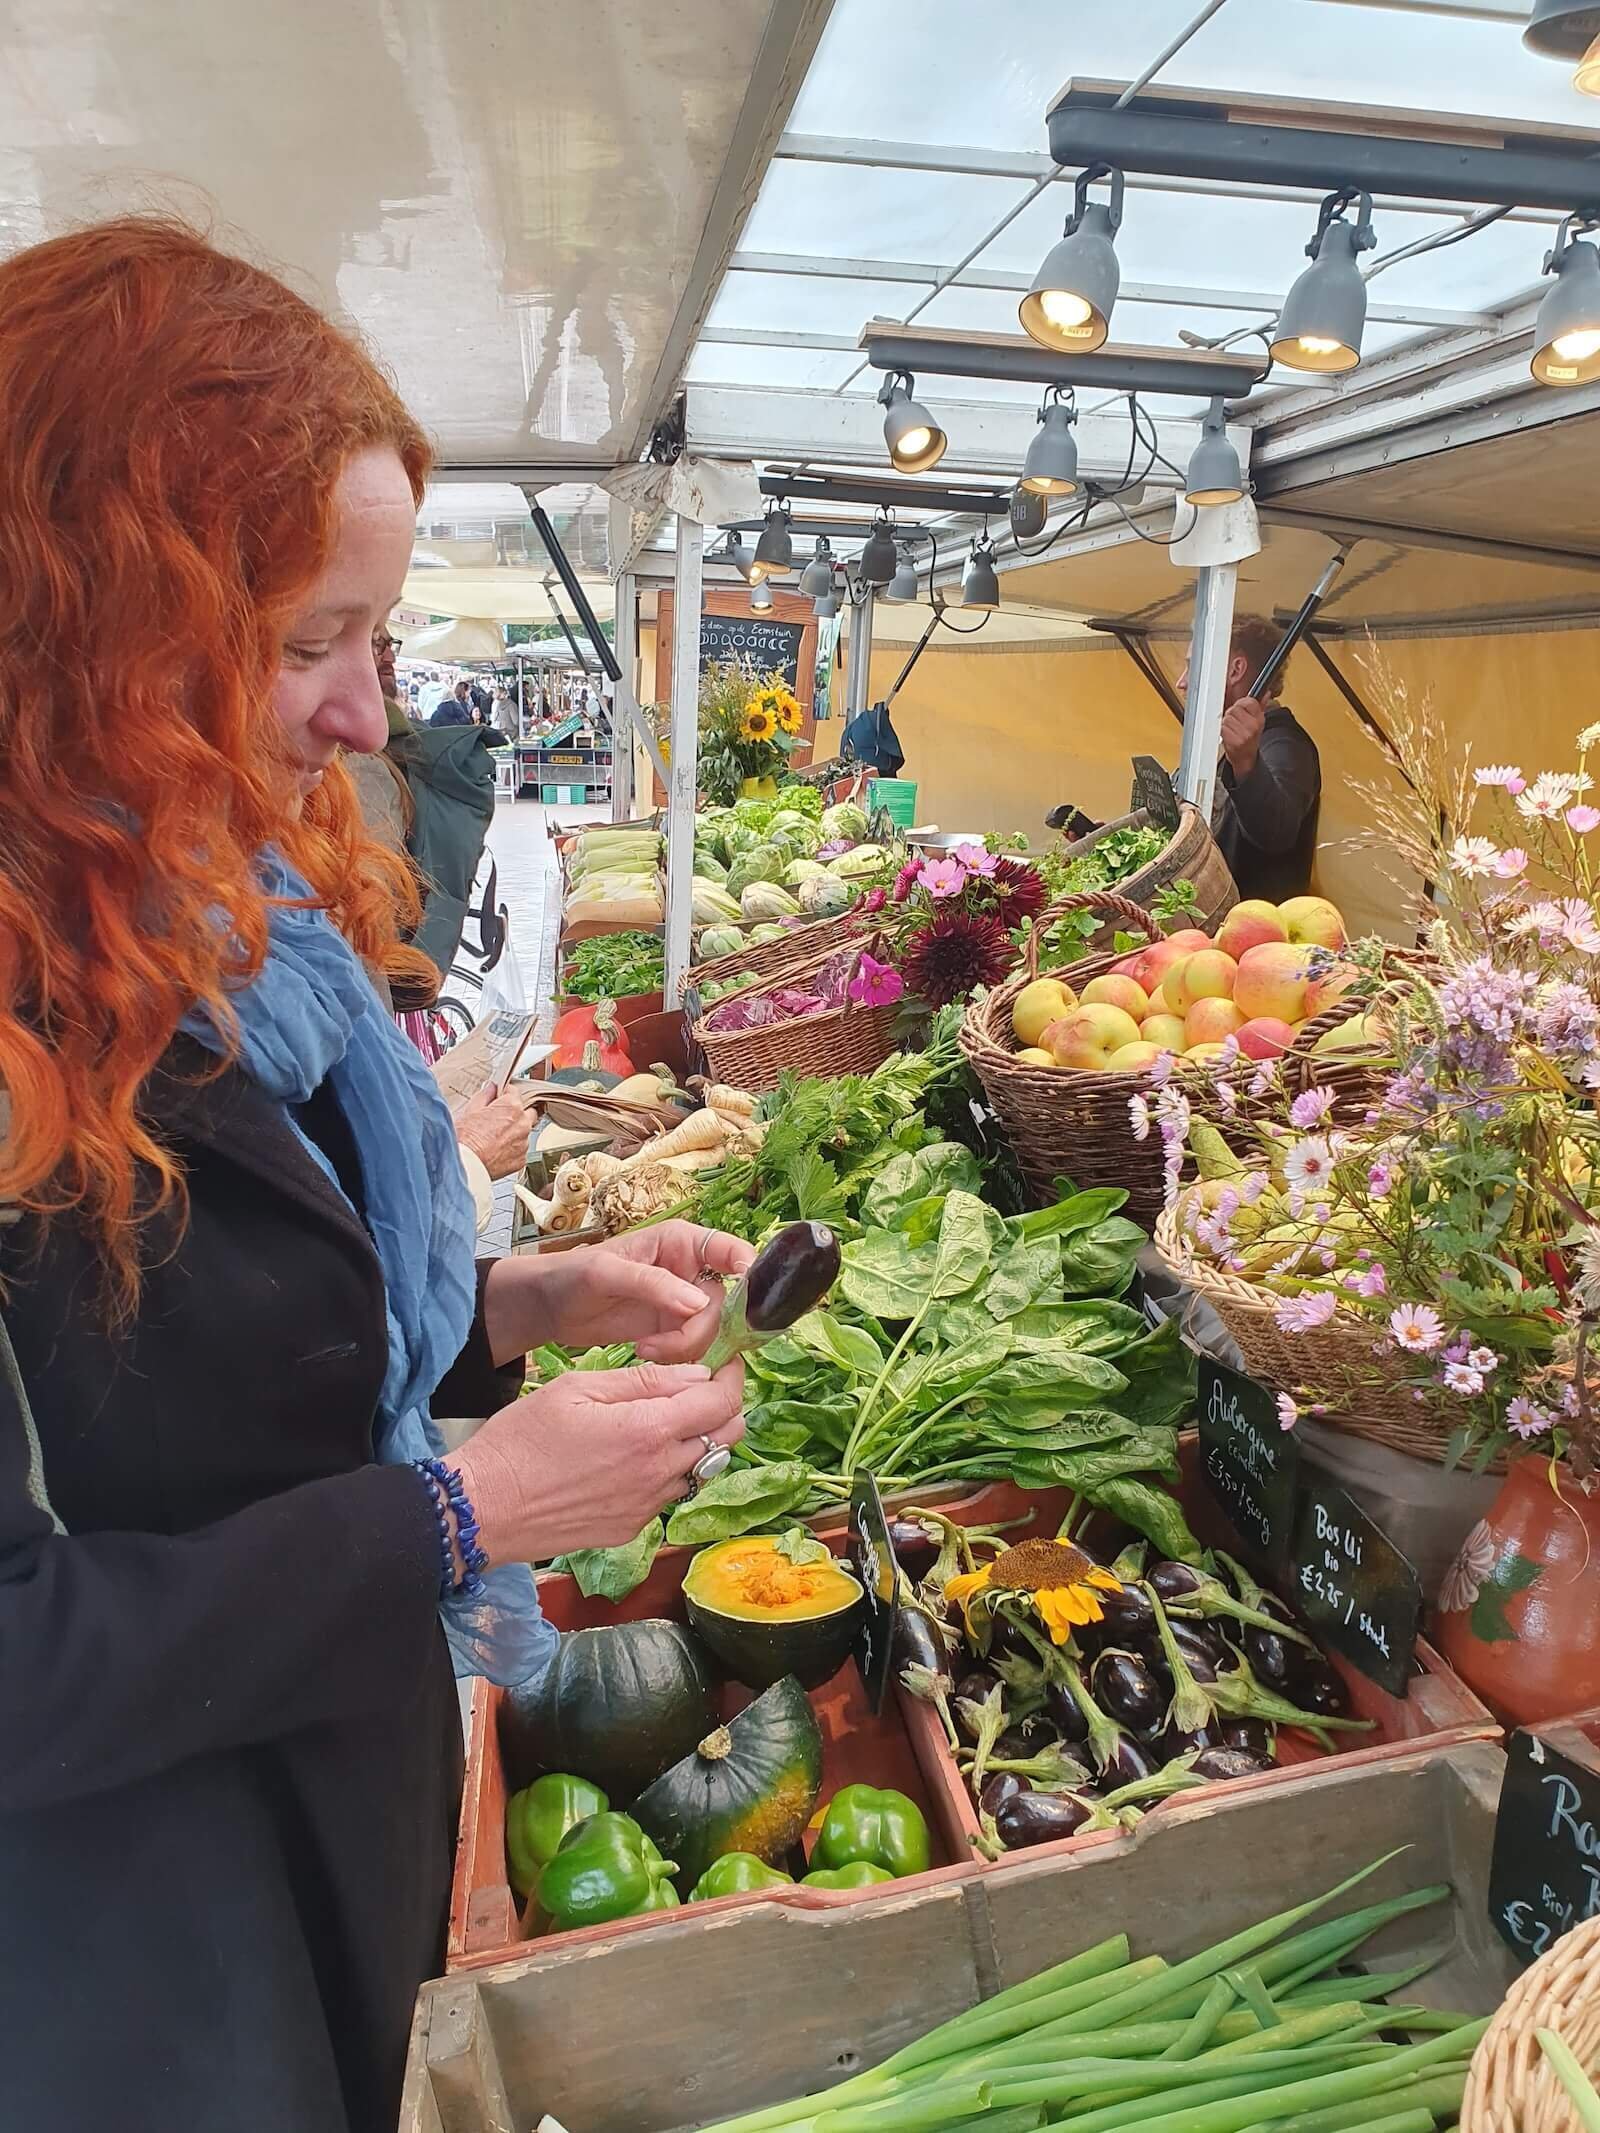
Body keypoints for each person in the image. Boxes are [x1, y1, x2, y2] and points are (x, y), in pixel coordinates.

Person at [0, 218, 753, 2133]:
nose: (360, 714)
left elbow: (200, 1365)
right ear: (81, 625)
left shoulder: (206, 922)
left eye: (374, 638)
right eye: (303, 642)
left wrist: (512, 1311)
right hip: (122, 1955)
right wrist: (454, 1515)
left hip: (314, 1801)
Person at [1179, 614, 1322, 902]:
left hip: (1253, 937)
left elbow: (1277, 833)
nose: (1181, 683)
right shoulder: (1223, 743)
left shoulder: (1287, 743)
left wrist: (1246, 763)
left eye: (1192, 667)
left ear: (1236, 669)